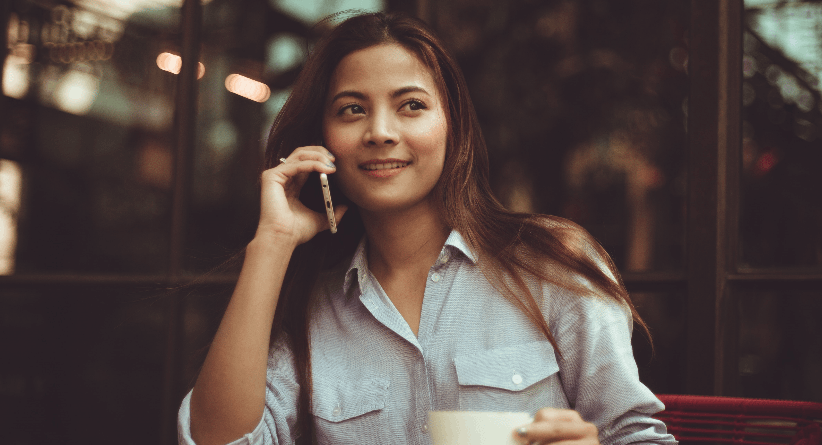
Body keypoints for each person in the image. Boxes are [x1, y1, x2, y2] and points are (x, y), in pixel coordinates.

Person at [179, 11, 675, 445]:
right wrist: (272, 243)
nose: (380, 132)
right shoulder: (312, 308)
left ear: (451, 125)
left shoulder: (550, 264)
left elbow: (635, 435)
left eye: (411, 105)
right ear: (323, 140)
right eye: (352, 109)